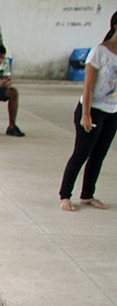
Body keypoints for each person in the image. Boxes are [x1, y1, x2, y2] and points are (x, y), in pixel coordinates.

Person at [58, 10, 117, 211]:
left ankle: (87, 195)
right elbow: (88, 86)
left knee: (99, 154)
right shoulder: (99, 52)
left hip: (112, 111)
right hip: (92, 110)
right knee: (81, 153)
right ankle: (65, 195)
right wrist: (86, 114)